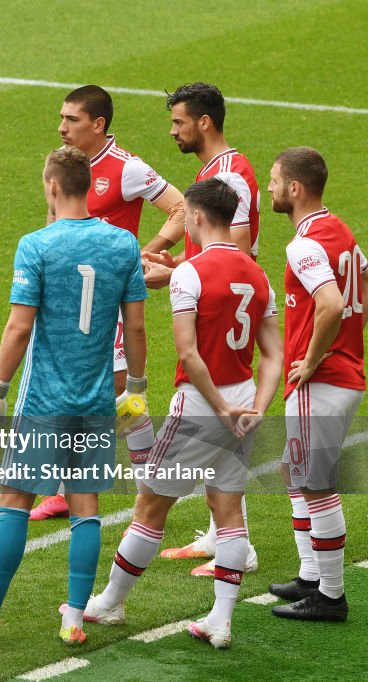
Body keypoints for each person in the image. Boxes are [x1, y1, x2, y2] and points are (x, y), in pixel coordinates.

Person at [80, 178, 282, 650]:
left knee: (150, 507)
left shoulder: (190, 275)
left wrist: (220, 407)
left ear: (197, 217)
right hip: (244, 397)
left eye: (186, 215)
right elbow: (273, 353)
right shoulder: (257, 275)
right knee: (228, 509)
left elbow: (188, 355)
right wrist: (255, 407)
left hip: (200, 403)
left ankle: (109, 602)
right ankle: (221, 619)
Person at [0, 146, 147, 646]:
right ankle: (76, 616)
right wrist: (139, 388)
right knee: (86, 505)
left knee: (13, 501)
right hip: (98, 397)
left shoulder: (36, 246)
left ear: (53, 186)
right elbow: (138, 325)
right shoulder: (123, 244)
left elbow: (20, 328)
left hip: (43, 400)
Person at [31, 85, 184, 521]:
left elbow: (182, 209)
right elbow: (52, 224)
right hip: (68, 298)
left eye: (72, 120)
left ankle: (151, 488)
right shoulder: (64, 166)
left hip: (110, 300)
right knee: (70, 387)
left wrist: (144, 251)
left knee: (121, 393)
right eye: (61, 118)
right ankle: (64, 489)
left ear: (98, 125)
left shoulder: (126, 168)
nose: (61, 128)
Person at [156, 82, 263, 577]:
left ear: (204, 122)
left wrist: (177, 273)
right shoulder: (215, 172)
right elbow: (211, 250)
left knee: (211, 414)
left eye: (179, 122)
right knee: (216, 431)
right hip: (214, 300)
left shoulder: (232, 177)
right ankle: (223, 537)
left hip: (222, 311)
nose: (173, 130)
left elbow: (234, 250)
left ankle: (239, 544)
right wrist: (175, 264)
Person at [266, 147, 365, 622]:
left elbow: (328, 303)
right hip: (345, 376)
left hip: (321, 380)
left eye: (274, 181)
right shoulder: (340, 231)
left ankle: (330, 596)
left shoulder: (303, 244)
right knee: (293, 471)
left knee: (316, 485)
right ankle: (310, 575)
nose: (269, 189)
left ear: (295, 189)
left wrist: (313, 357)